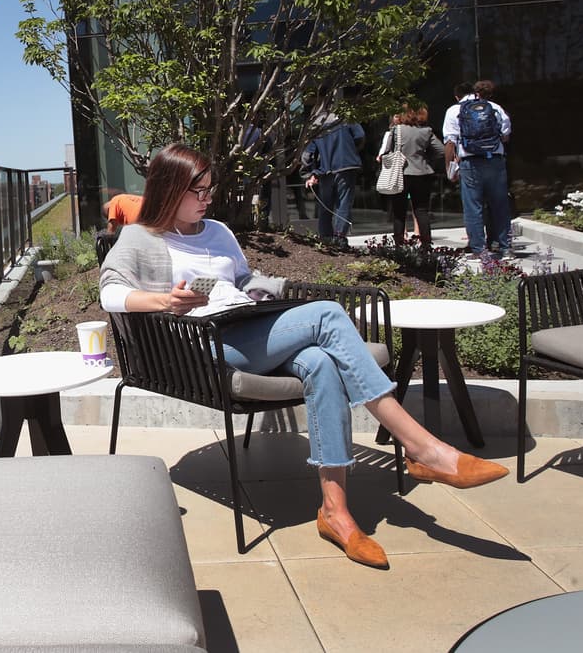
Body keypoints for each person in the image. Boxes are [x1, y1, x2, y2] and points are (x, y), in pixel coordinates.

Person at [99, 143, 508, 569]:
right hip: (210, 344)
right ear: (168, 189)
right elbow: (109, 292)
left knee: (320, 361)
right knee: (328, 316)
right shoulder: (140, 237)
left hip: (251, 326)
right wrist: (163, 301)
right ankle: (424, 449)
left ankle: (336, 512)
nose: (207, 199)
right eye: (196, 192)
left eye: (209, 190)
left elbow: (242, 280)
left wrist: (269, 291)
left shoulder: (217, 231)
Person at [443, 80, 512, 259]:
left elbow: (450, 142)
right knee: (500, 205)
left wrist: (450, 167)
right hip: (495, 161)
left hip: (470, 163)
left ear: (458, 96)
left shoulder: (454, 111)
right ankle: (504, 246)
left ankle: (479, 249)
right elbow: (505, 136)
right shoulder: (495, 108)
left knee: (473, 207)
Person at [377, 104, 445, 249]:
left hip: (401, 174)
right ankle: (426, 244)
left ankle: (399, 244)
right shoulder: (426, 131)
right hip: (422, 173)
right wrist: (426, 160)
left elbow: (387, 151)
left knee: (399, 211)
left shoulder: (397, 130)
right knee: (421, 210)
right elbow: (441, 151)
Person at [302, 112, 364, 246]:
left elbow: (307, 154)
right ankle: (340, 237)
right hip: (346, 166)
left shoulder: (316, 125)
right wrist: (351, 150)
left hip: (325, 170)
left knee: (325, 205)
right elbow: (360, 137)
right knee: (344, 203)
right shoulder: (347, 119)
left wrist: (309, 173)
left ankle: (325, 237)